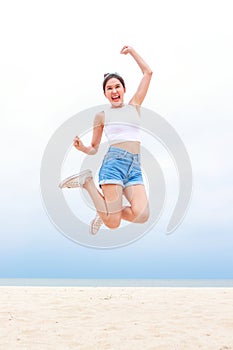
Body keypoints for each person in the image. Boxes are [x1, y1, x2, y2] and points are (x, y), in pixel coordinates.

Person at [59, 45, 153, 235]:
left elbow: (148, 72)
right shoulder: (102, 116)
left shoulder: (134, 106)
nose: (114, 90)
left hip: (134, 167)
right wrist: (82, 147)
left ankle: (103, 211)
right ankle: (87, 182)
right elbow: (94, 147)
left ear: (124, 89)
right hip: (114, 164)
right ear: (105, 94)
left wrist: (132, 51)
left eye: (117, 86)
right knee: (113, 223)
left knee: (142, 215)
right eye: (109, 88)